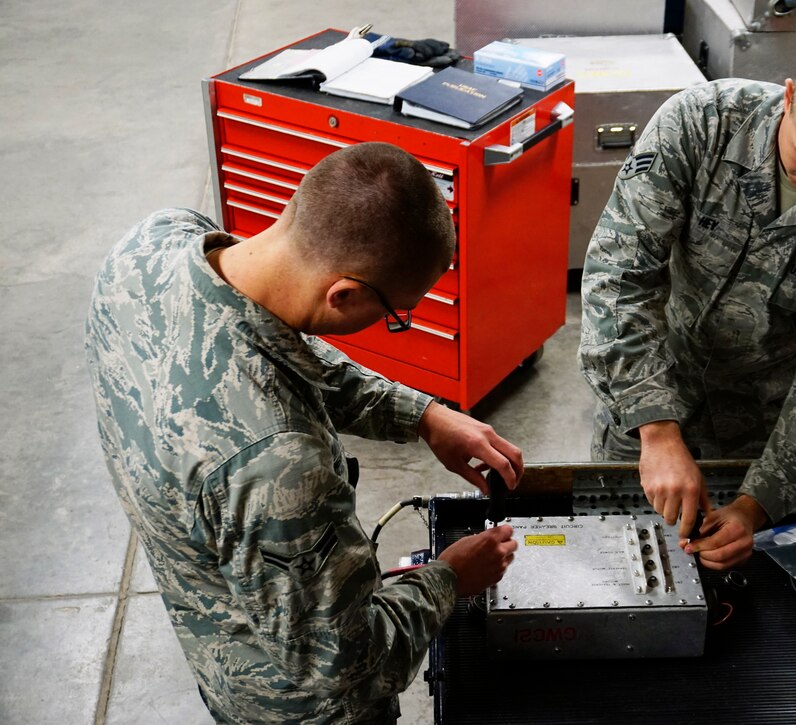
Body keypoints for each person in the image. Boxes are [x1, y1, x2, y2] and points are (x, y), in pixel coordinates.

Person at [86, 142, 521, 723]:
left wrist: (422, 414)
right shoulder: (281, 466)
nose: (394, 325)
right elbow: (346, 664)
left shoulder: (151, 244)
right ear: (344, 295)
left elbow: (265, 346)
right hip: (292, 708)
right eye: (398, 314)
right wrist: (450, 577)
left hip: (213, 626)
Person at [579, 38, 796, 572]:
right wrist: (656, 427)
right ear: (789, 97)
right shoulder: (702, 124)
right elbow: (619, 276)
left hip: (766, 431)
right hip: (649, 385)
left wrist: (755, 506)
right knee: (616, 565)